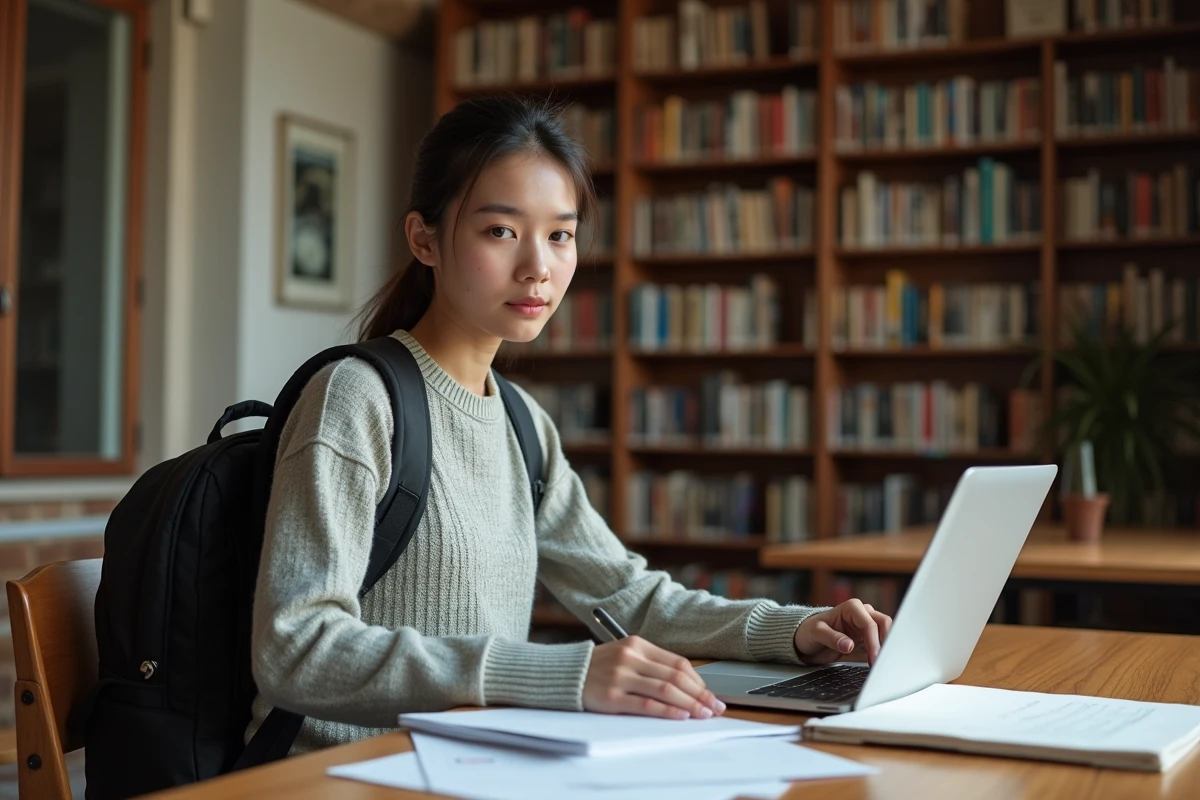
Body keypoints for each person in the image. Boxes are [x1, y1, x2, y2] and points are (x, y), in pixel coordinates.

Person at [247, 94, 893, 755]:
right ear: (424, 239)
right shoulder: (355, 399)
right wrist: (557, 674)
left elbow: (627, 596)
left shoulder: (522, 421)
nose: (538, 267)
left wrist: (797, 630)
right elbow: (296, 648)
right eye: (501, 231)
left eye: (560, 235)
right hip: (339, 774)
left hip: (470, 763)